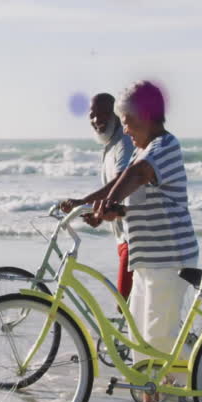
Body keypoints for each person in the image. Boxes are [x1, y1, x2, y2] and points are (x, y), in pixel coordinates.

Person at [60, 80, 202, 402]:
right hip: (147, 258)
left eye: (127, 121)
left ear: (147, 116)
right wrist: (98, 206)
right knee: (141, 337)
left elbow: (138, 176)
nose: (124, 128)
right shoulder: (144, 150)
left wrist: (104, 204)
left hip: (169, 257)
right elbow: (126, 189)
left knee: (162, 339)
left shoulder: (164, 147)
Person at [58, 93, 135, 299]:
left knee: (126, 306)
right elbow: (115, 196)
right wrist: (98, 215)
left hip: (135, 237)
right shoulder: (110, 146)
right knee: (132, 307)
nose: (96, 120)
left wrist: (83, 202)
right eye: (92, 115)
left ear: (116, 115)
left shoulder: (124, 143)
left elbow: (120, 183)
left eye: (103, 114)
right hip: (123, 236)